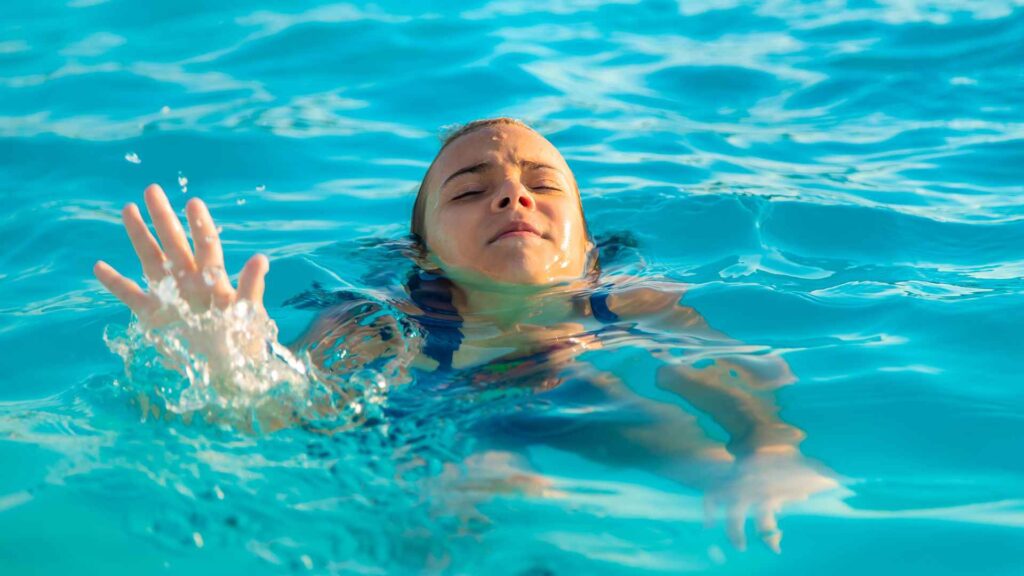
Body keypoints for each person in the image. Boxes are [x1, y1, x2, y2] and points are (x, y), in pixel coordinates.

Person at [94, 117, 835, 553]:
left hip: (576, 392)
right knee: (453, 503)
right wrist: (228, 368)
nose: (512, 192)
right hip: (428, 413)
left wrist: (768, 446)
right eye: (470, 190)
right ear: (423, 252)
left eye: (541, 185)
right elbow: (307, 424)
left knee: (725, 471)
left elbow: (728, 373)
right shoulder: (379, 325)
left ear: (587, 244)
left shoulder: (632, 298)